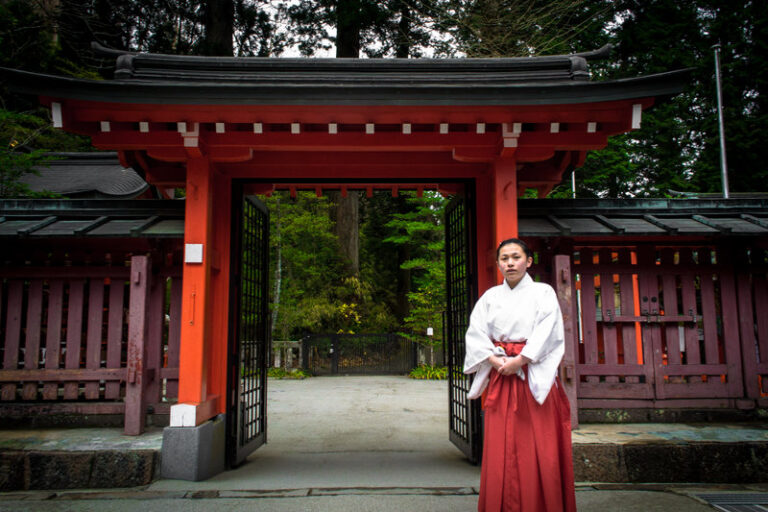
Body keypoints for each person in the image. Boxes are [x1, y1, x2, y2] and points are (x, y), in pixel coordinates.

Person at [464, 238, 576, 512]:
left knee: (540, 446)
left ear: (528, 261)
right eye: (504, 258)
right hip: (502, 372)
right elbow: (476, 332)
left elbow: (548, 330)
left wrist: (522, 360)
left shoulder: (543, 292)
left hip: (533, 376)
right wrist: (493, 358)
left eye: (516, 257)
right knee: (500, 445)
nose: (510, 263)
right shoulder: (490, 297)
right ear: (498, 263)